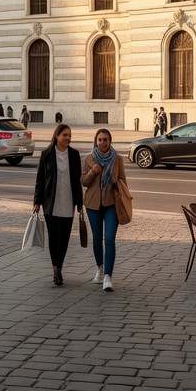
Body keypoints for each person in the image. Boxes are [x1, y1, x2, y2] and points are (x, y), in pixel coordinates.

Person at [33, 123, 82, 287]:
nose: (68, 138)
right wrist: (37, 202)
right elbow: (40, 179)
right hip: (50, 203)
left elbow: (77, 181)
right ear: (57, 136)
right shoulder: (46, 154)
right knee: (54, 237)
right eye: (65, 135)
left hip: (68, 203)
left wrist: (80, 203)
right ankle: (55, 268)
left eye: (70, 135)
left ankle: (60, 265)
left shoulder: (74, 155)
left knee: (65, 238)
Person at [80, 127, 125, 291]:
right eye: (100, 140)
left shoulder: (117, 159)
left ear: (110, 141)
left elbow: (123, 180)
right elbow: (83, 182)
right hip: (93, 205)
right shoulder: (89, 159)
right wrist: (93, 172)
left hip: (111, 204)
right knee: (97, 239)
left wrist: (116, 184)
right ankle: (100, 267)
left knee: (110, 239)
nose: (102, 142)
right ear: (96, 141)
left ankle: (107, 276)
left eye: (105, 140)